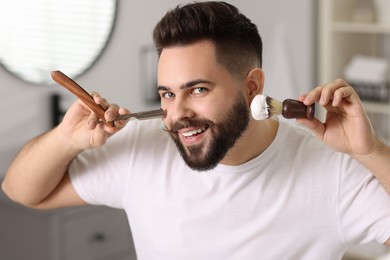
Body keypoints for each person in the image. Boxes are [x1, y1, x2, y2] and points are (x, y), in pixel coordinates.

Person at [2, 1, 390, 259]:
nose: (176, 115)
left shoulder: (331, 172)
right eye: (167, 94)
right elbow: (21, 191)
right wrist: (66, 140)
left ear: (253, 86)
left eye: (198, 90)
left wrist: (370, 151)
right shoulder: (142, 147)